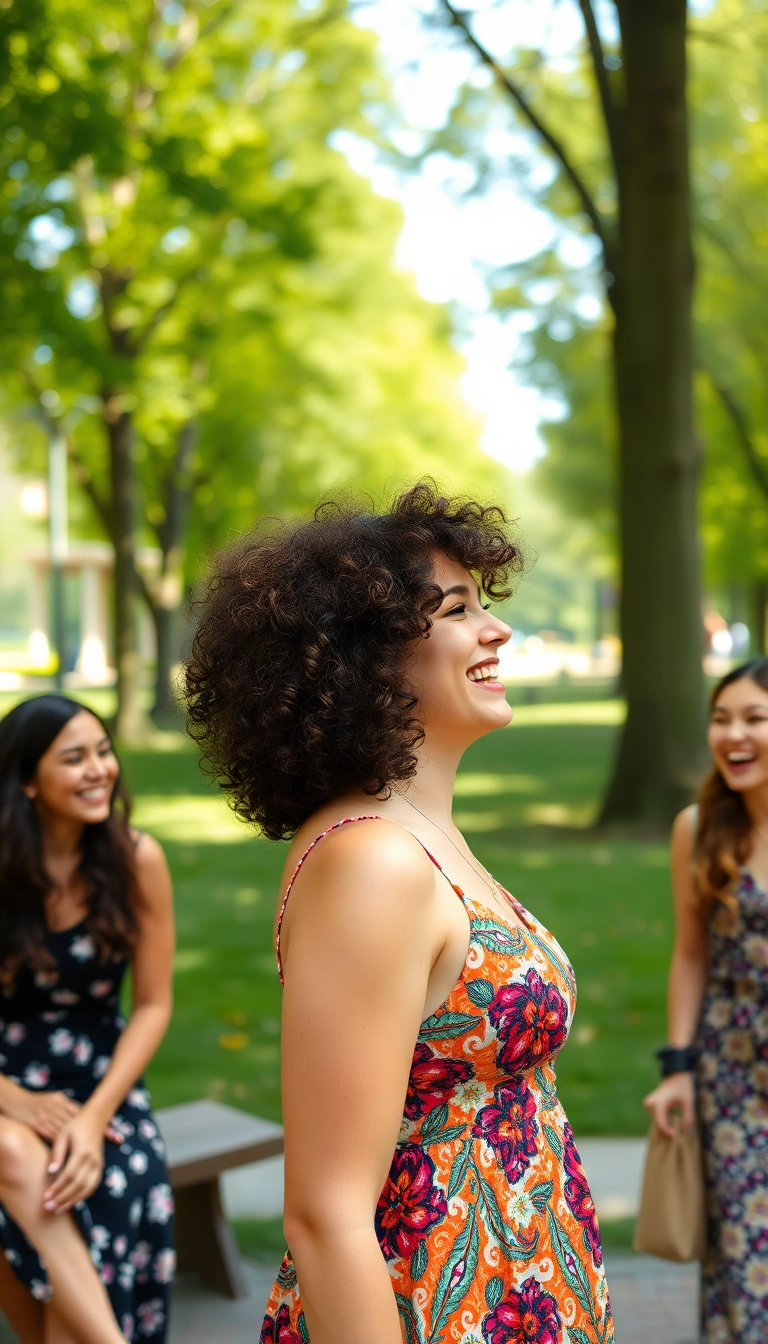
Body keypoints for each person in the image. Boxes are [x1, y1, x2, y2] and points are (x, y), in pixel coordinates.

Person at [185, 484, 613, 1344]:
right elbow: (326, 1213)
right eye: (454, 610)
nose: (495, 630)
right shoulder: (371, 860)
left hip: (518, 1290)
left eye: (482, 606)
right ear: (364, 658)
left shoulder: (420, 835)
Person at [0, 696, 175, 1344]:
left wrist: (98, 1116)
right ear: (26, 780)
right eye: (74, 758)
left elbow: (153, 1004)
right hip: (5, 1080)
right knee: (12, 1150)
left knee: (94, 1181)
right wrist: (13, 1098)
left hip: (103, 1083)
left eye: (103, 751)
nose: (99, 769)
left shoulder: (136, 859)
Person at [644, 657, 768, 1344]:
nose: (733, 736)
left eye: (754, 719)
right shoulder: (700, 828)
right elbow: (691, 954)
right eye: (721, 719)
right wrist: (679, 1067)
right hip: (733, 1071)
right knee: (745, 1257)